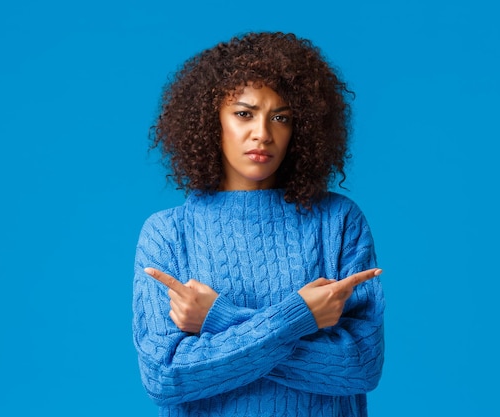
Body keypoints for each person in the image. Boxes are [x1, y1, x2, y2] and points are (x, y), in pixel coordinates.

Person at [132, 31, 385, 416]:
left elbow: (361, 367)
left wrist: (218, 319)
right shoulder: (169, 233)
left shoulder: (339, 221)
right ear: (210, 119)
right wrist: (302, 317)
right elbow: (165, 377)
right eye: (244, 113)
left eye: (280, 118)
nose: (262, 134)